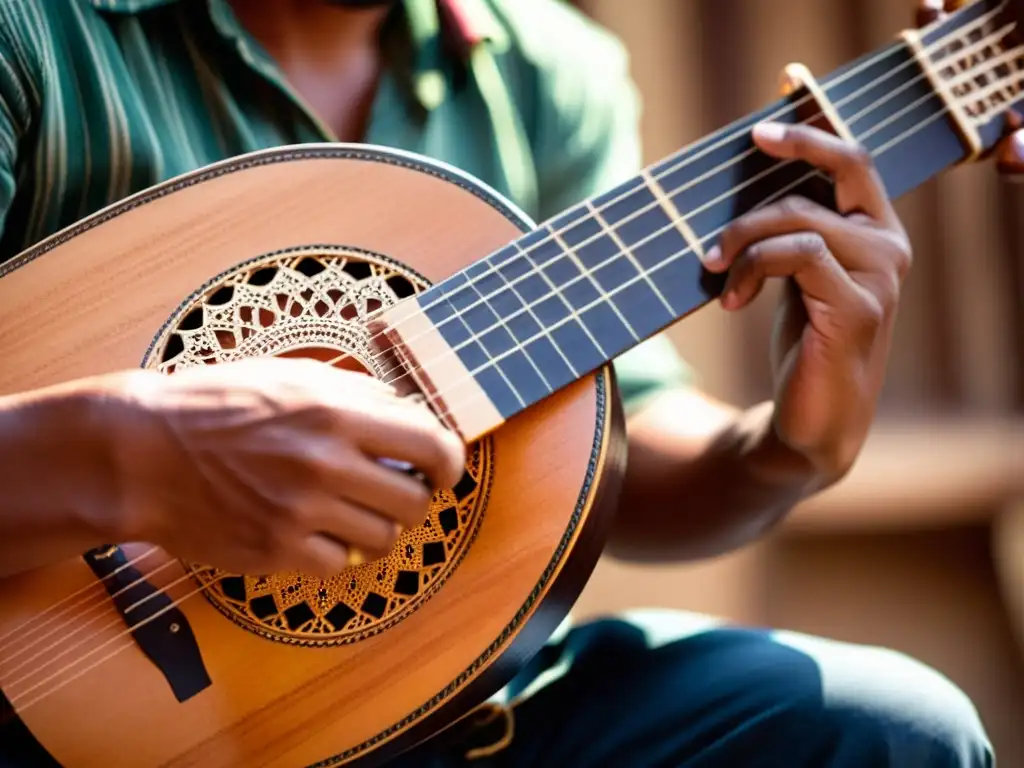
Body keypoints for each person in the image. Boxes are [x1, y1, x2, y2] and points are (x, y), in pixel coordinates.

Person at [0, 0, 1011, 765]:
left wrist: (782, 452)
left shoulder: (545, 72)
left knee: (886, 733)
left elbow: (616, 444)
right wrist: (124, 455)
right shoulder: (36, 36)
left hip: (429, 706)